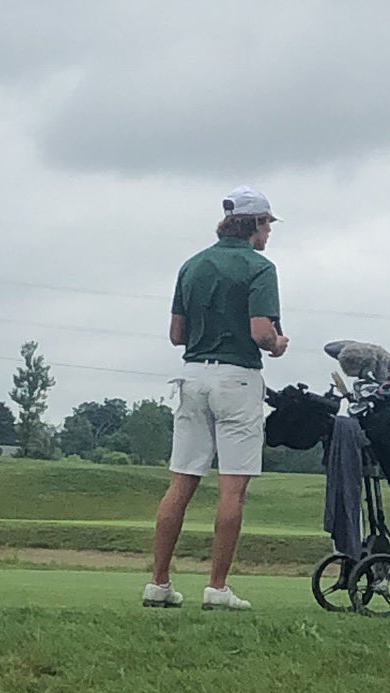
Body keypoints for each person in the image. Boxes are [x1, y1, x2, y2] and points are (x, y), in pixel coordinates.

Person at [142, 186, 289, 611]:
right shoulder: (260, 267)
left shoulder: (192, 265)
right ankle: (217, 587)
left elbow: (177, 335)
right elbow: (261, 332)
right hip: (237, 380)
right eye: (267, 225)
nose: (269, 233)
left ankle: (159, 582)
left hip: (191, 377)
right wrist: (278, 344)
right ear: (256, 224)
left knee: (181, 482)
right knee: (232, 489)